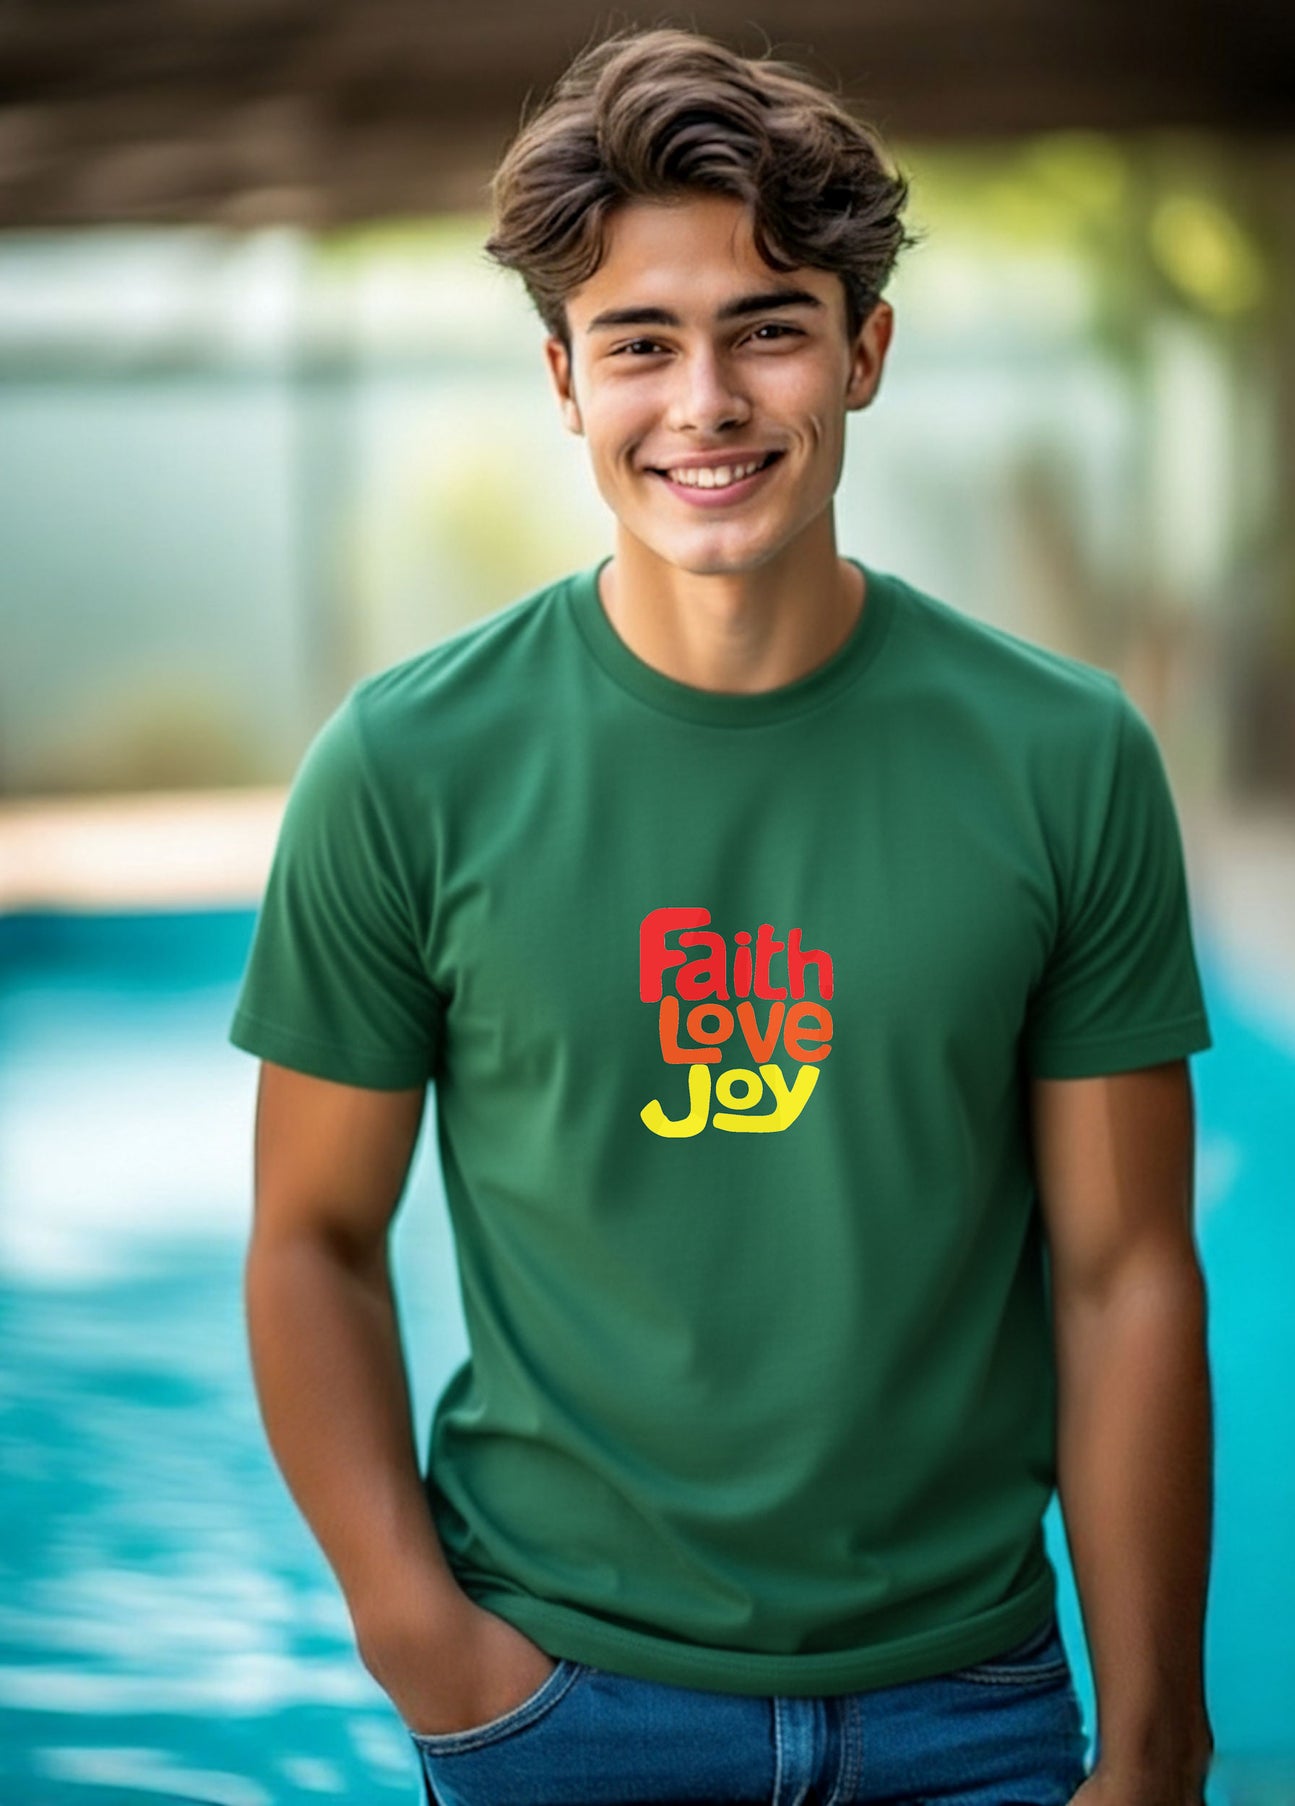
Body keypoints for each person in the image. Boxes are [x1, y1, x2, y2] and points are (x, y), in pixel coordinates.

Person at [229, 23, 1217, 1806]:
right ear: (563, 379)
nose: (704, 401)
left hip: (971, 1707)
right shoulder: (405, 766)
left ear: (864, 352)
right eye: (639, 343)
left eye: (767, 328)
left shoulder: (1063, 757)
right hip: (559, 1703)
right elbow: (310, 1238)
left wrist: (1152, 1738)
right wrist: (419, 1638)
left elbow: (1124, 1267)